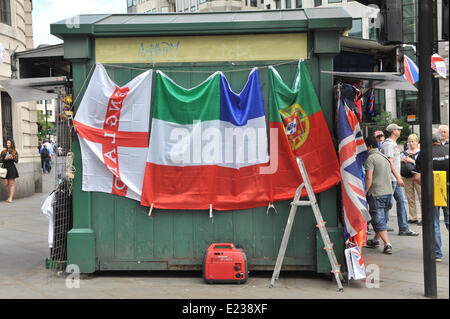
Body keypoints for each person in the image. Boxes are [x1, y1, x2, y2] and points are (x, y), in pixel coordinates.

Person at [414, 129, 449, 262]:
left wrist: (428, 185)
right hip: (448, 190)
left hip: (432, 192)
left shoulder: (424, 154)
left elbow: (416, 177)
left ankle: (437, 254)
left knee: (434, 222)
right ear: (440, 139)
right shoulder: (447, 151)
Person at [380, 123, 419, 236]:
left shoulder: (392, 144)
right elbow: (390, 161)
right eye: (398, 129)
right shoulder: (388, 144)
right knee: (388, 203)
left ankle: (403, 228)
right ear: (393, 131)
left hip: (394, 179)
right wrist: (398, 177)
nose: (400, 131)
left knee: (401, 201)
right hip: (391, 179)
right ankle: (383, 227)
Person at [364, 135, 393, 254]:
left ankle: (387, 244)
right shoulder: (384, 157)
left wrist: (365, 191)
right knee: (383, 218)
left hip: (376, 193)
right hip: (388, 192)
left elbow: (369, 177)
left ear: (369, 146)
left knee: (377, 219)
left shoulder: (370, 158)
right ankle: (376, 240)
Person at [401, 133, 422, 225]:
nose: (411, 143)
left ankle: (424, 216)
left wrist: (411, 161)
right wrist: (401, 160)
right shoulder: (404, 153)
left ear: (417, 142)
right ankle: (413, 217)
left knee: (421, 197)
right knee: (410, 198)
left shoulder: (420, 152)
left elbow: (422, 164)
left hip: (418, 176)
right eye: (409, 141)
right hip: (407, 177)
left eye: (413, 141)